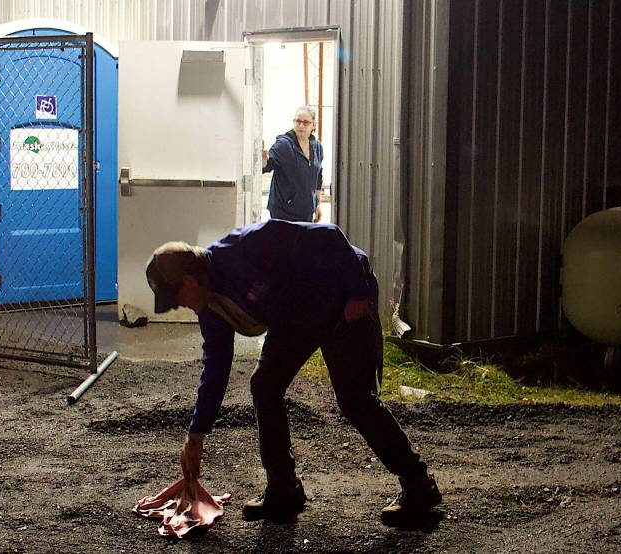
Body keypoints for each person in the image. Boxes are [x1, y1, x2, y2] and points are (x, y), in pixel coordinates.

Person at [145, 220, 441, 523]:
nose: (179, 306)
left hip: (341, 298)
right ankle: (283, 488)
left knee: (355, 401)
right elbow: (216, 366)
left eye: (176, 299)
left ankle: (418, 485)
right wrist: (197, 433)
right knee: (265, 385)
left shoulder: (249, 245)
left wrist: (357, 292)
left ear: (190, 282)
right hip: (298, 317)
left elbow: (328, 235)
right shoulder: (211, 307)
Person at [262, 106, 324, 222]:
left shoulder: (317, 147)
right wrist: (263, 159)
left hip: (306, 212)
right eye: (298, 121)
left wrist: (317, 204)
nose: (301, 125)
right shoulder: (283, 144)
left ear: (313, 125)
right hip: (283, 213)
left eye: (306, 122)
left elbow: (318, 175)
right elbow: (267, 165)